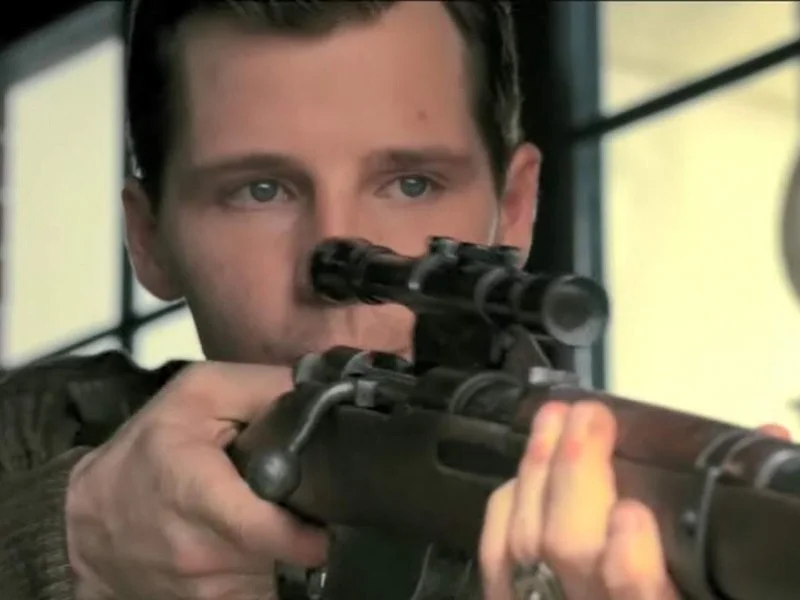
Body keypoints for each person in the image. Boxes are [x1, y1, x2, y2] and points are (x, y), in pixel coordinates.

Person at [0, 2, 789, 599]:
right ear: (149, 239)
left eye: (412, 184)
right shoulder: (36, 438)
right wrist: (64, 544)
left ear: (516, 207)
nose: (333, 259)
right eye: (260, 190)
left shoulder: (622, 501)